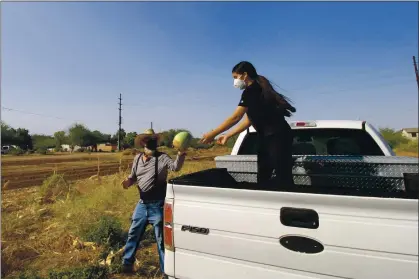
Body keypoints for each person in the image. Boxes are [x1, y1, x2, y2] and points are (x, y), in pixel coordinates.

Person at [200, 61, 296, 186]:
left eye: (235, 77)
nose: (234, 81)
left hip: (277, 137)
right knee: (264, 175)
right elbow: (249, 120)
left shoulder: (252, 90)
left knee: (282, 176)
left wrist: (212, 134)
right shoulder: (256, 89)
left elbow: (235, 117)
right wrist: (228, 135)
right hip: (267, 137)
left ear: (244, 75)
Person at [121, 129, 186, 277]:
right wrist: (127, 182)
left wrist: (181, 153)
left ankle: (165, 272)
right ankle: (127, 264)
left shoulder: (163, 158)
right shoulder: (137, 158)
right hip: (142, 204)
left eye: (154, 140)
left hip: (158, 205)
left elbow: (175, 167)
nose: (152, 142)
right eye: (148, 140)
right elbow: (133, 177)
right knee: (133, 234)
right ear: (143, 142)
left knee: (161, 241)